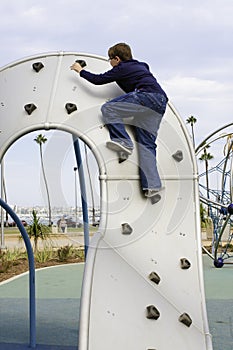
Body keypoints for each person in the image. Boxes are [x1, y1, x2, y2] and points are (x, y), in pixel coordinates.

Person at [70, 43, 168, 198]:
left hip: (146, 96)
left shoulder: (122, 68)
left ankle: (124, 141)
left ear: (117, 58)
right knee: (146, 144)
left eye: (110, 60)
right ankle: (152, 185)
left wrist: (80, 70)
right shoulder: (142, 66)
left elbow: (98, 80)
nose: (110, 63)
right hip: (160, 102)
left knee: (109, 108)